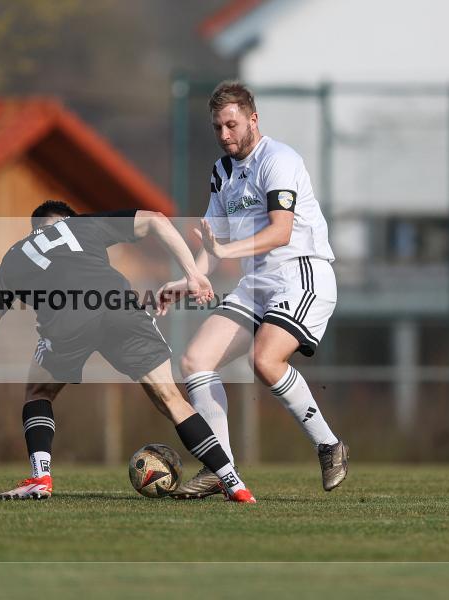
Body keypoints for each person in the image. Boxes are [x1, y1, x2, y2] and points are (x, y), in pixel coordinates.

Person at [0, 201, 256, 503]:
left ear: (34, 229)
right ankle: (233, 482)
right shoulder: (83, 225)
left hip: (68, 320)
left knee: (38, 392)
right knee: (172, 398)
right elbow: (156, 220)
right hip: (120, 306)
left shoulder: (14, 257)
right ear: (67, 220)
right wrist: (194, 275)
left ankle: (41, 478)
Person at [157, 80, 348, 499]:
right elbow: (214, 241)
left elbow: (280, 233)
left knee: (265, 360)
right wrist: (189, 277)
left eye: (232, 125)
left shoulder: (278, 159)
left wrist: (225, 249)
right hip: (257, 284)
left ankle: (329, 445)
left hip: (301, 274)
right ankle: (221, 469)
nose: (225, 136)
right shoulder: (222, 172)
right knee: (195, 360)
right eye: (217, 128)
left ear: (252, 119)